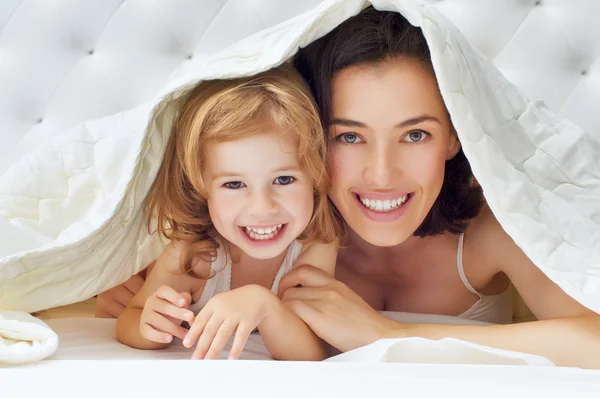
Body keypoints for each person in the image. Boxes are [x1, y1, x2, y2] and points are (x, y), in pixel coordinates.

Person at [274, 6, 600, 369]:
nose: (382, 176)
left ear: (455, 136)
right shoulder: (274, 222)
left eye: (415, 135)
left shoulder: (490, 228)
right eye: (349, 136)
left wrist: (388, 334)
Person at [115, 63, 340, 361]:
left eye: (284, 180)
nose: (262, 208)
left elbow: (311, 351)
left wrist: (263, 305)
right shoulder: (195, 253)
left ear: (315, 175)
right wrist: (149, 326)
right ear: (201, 187)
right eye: (234, 184)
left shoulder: (316, 243)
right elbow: (130, 319)